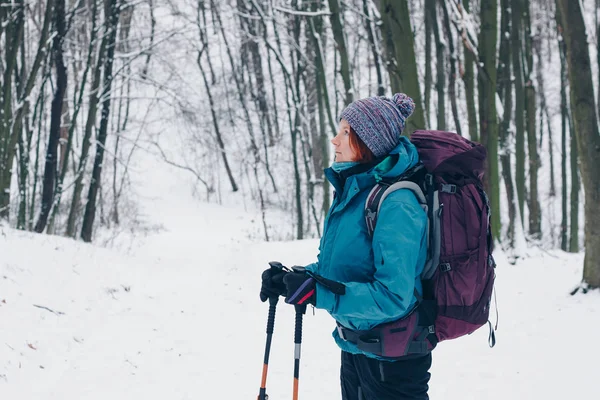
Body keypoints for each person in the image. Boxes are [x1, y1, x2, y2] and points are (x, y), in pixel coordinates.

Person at [260, 93, 431, 400]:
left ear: (369, 142)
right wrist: (293, 281)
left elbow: (394, 296)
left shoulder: (398, 203)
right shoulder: (355, 195)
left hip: (393, 362)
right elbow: (338, 270)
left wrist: (317, 292)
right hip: (356, 347)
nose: (335, 141)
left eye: (345, 133)